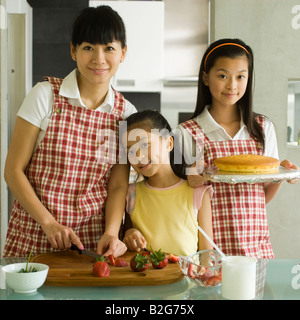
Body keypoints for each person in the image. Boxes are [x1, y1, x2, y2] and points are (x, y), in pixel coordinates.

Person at [3, 6, 137, 257]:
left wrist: (111, 231)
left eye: (109, 48)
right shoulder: (45, 96)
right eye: (88, 47)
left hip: (92, 244)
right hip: (36, 235)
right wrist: (49, 223)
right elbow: (13, 171)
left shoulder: (126, 113)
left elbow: (118, 185)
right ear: (73, 51)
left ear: (123, 53)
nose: (99, 59)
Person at [178, 38, 299, 259]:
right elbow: (179, 196)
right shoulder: (185, 133)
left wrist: (280, 175)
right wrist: (191, 179)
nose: (232, 85)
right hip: (208, 248)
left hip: (255, 245)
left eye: (240, 76)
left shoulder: (263, 128)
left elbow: (261, 193)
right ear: (206, 77)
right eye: (222, 75)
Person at [121, 110, 214, 256]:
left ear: (168, 143)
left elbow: (207, 253)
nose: (138, 156)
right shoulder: (130, 194)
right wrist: (129, 233)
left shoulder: (198, 193)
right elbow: (127, 240)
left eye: (145, 145)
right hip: (146, 278)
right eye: (130, 151)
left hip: (187, 278)